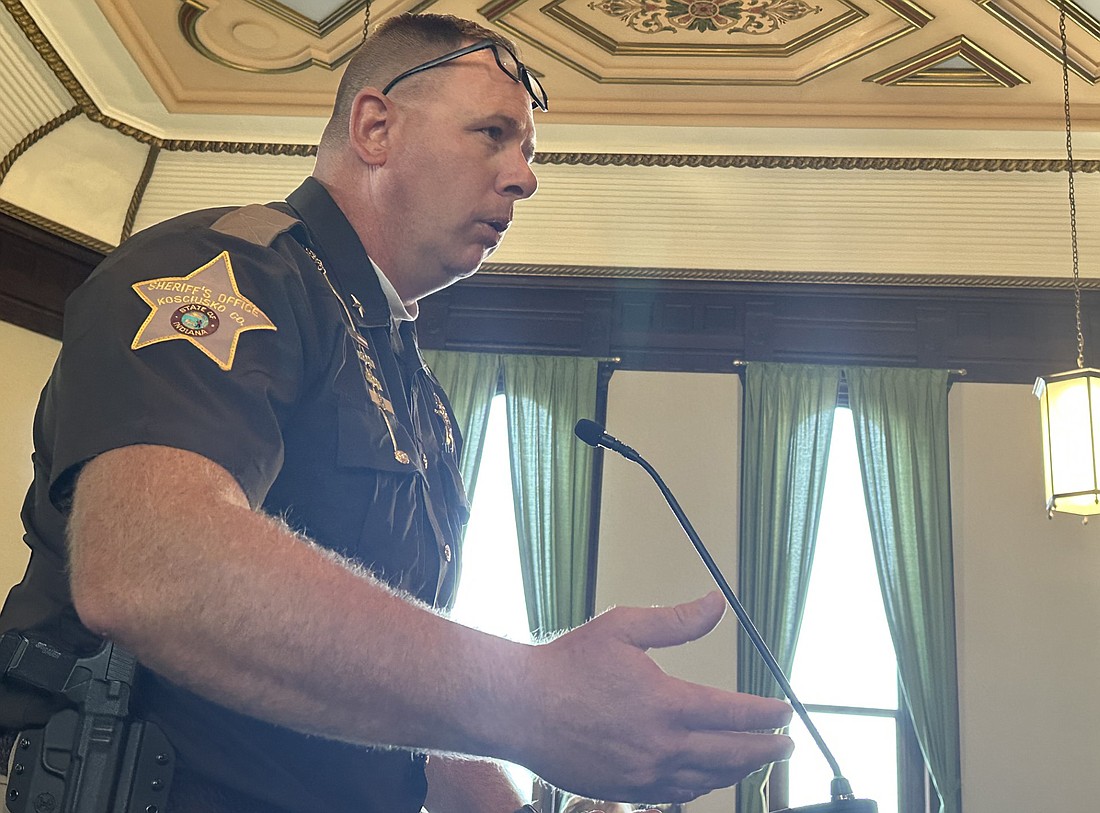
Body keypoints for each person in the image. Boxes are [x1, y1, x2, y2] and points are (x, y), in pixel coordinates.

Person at [0, 12, 794, 813]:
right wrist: (529, 699)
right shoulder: (227, 267)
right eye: (493, 133)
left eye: (527, 151)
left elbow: (384, 704)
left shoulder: (424, 400)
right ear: (375, 127)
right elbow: (150, 565)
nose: (524, 176)